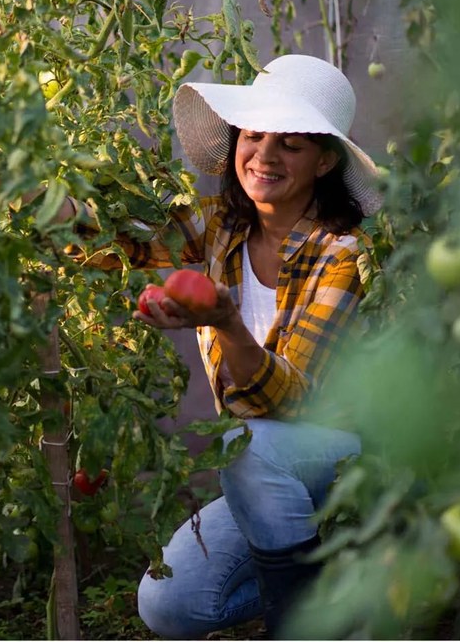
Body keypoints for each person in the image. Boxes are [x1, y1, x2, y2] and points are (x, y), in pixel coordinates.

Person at [55, 54, 382, 639]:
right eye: (254, 135)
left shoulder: (341, 253)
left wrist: (226, 320)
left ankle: (300, 624)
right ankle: (335, 583)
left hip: (340, 459)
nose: (265, 155)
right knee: (170, 604)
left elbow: (289, 403)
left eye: (291, 143)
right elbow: (114, 244)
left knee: (247, 438)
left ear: (325, 160)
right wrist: (42, 200)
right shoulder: (218, 231)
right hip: (260, 461)